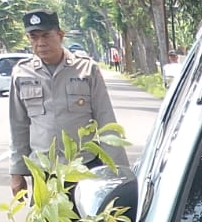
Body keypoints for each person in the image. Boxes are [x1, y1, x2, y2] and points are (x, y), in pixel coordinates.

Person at [8, 10, 126, 198]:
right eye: (34, 37)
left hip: (85, 167)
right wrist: (17, 173)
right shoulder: (22, 73)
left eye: (46, 35)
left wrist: (118, 171)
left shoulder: (86, 69)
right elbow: (18, 127)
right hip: (44, 172)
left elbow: (106, 120)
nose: (40, 43)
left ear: (60, 35)